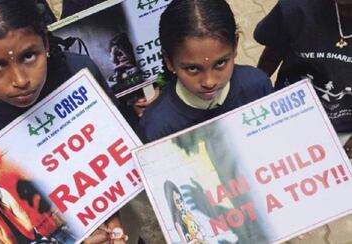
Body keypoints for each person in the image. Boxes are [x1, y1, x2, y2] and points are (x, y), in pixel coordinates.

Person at [0, 0, 127, 243]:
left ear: (46, 43)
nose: (20, 80)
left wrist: (112, 212)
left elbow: (113, 148)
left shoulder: (79, 74)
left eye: (29, 56)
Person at [139, 0, 273, 143]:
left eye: (220, 63)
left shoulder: (257, 87)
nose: (209, 82)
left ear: (235, 46)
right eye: (192, 69)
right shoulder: (157, 126)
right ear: (169, 61)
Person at [254, 0, 352, 158]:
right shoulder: (296, 7)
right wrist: (255, 100)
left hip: (342, 130)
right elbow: (272, 56)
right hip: (287, 114)